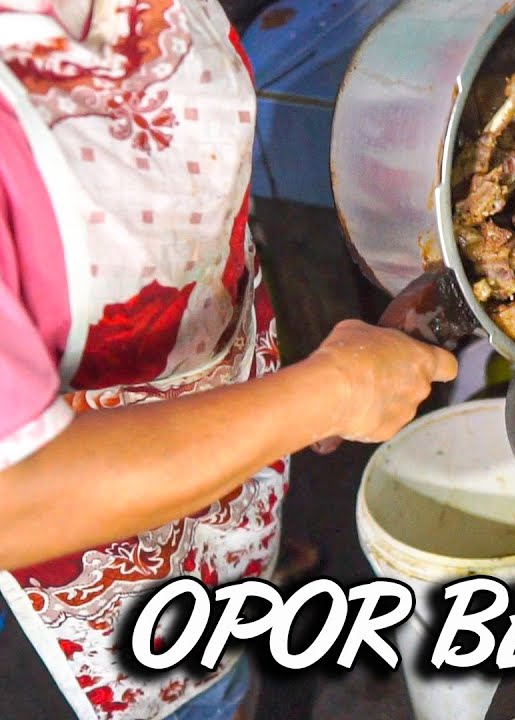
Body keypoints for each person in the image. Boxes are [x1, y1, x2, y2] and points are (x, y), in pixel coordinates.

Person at [0, 0, 515, 718]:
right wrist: (326, 393)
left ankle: (247, 597)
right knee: (192, 690)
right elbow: (18, 501)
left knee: (232, 606)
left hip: (220, 403)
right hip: (73, 577)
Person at [0, 1, 457, 718]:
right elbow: (16, 501)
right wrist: (327, 393)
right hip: (66, 600)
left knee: (230, 627)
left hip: (224, 432)